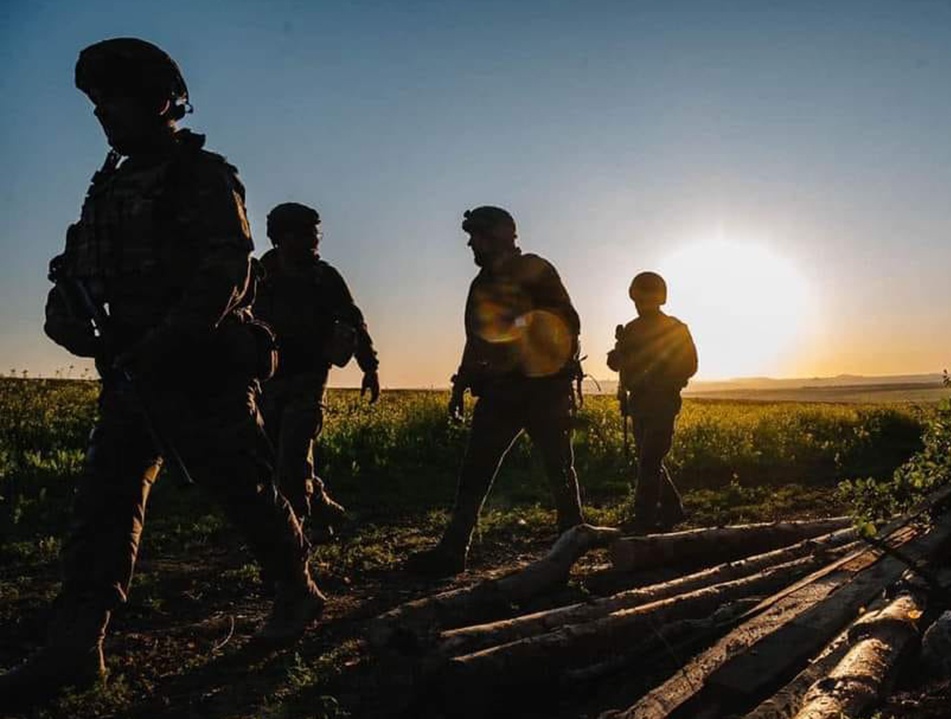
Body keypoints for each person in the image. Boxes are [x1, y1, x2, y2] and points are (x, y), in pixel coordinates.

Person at [0, 38, 323, 707]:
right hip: (129, 374)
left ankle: (295, 588)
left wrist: (168, 339)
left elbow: (228, 271)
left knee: (243, 487)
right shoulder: (108, 188)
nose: (102, 116)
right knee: (103, 502)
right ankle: (76, 640)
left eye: (111, 102)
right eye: (95, 105)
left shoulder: (202, 175)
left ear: (156, 102)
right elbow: (76, 269)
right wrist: (65, 317)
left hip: (200, 369)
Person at [407, 206, 585, 578]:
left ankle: (573, 545)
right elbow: (475, 339)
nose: (471, 242)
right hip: (500, 391)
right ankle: (453, 550)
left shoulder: (536, 269)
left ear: (500, 235)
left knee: (559, 470)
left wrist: (515, 327)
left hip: (544, 390)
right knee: (475, 469)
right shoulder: (481, 284)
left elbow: (568, 321)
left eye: (478, 235)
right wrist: (460, 384)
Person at [253, 202, 380, 542]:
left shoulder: (325, 277)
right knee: (273, 457)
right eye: (305, 233)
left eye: (315, 232)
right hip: (268, 380)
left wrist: (369, 367)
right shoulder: (261, 273)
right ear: (281, 237)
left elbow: (354, 320)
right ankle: (325, 508)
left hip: (308, 379)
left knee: (292, 457)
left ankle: (299, 533)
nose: (314, 240)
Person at [607, 272, 698, 533]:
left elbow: (689, 365)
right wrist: (618, 355)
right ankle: (672, 509)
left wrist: (657, 376)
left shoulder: (675, 328)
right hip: (639, 403)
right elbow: (618, 363)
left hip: (662, 403)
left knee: (649, 460)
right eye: (637, 298)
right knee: (649, 460)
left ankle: (643, 518)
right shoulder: (632, 329)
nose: (638, 303)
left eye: (641, 297)